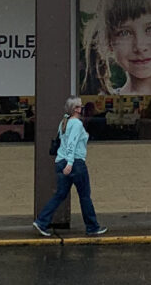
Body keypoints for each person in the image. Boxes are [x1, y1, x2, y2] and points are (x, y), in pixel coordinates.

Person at [34, 97, 106, 237]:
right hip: (75, 163)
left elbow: (63, 142)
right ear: (75, 109)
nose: (82, 108)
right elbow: (72, 144)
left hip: (60, 162)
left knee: (60, 194)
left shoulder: (64, 122)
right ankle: (92, 227)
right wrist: (70, 163)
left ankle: (42, 221)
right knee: (85, 196)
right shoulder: (77, 124)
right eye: (80, 106)